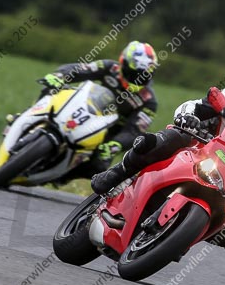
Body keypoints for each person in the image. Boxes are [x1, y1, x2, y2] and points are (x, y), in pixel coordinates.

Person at [91, 66, 225, 249]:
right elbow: (196, 107)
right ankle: (117, 173)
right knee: (166, 139)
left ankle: (179, 238)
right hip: (202, 143)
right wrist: (189, 118)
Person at [36, 41, 159, 183]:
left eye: (144, 75)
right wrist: (60, 75)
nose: (137, 79)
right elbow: (80, 69)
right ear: (123, 62)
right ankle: (31, 116)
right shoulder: (109, 67)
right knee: (52, 87)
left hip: (106, 133)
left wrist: (115, 144)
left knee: (100, 164)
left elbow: (135, 130)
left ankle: (61, 177)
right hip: (83, 108)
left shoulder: (149, 101)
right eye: (133, 73)